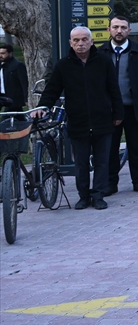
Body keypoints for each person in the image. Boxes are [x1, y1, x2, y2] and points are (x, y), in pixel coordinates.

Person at [34, 27, 122, 209]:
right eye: (76, 40)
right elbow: (52, 90)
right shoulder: (63, 65)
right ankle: (83, 196)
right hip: (77, 121)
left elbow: (114, 89)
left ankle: (98, 195)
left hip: (102, 119)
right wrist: (42, 108)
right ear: (70, 43)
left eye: (84, 40)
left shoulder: (104, 62)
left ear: (91, 42)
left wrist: (118, 113)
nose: (80, 44)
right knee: (81, 163)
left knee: (102, 161)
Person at [96, 16, 138, 194]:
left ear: (129, 31)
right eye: (115, 27)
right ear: (109, 30)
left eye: (123, 27)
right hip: (109, 110)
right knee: (110, 148)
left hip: (134, 108)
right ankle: (110, 183)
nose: (119, 31)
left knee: (136, 147)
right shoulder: (100, 53)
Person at [0, 43, 29, 112]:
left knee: (12, 116)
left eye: (3, 53)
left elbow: (24, 83)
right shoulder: (1, 65)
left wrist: (26, 99)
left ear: (10, 54)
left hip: (13, 97)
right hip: (2, 96)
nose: (0, 55)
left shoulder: (17, 65)